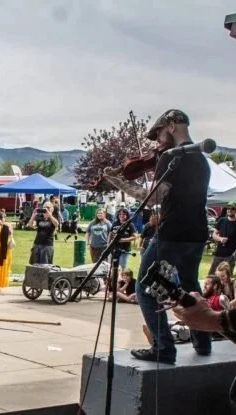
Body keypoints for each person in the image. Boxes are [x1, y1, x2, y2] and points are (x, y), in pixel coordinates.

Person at [103, 109, 211, 363]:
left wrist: (117, 181)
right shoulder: (202, 160)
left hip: (172, 232)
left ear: (172, 126)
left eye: (161, 135)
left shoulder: (172, 158)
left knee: (144, 289)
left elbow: (151, 199)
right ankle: (203, 341)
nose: (159, 143)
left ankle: (163, 347)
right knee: (189, 285)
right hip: (197, 232)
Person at [210, 202, 236, 274]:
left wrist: (233, 256)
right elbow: (214, 235)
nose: (229, 210)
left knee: (226, 279)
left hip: (230, 256)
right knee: (213, 277)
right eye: (228, 208)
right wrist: (220, 239)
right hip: (218, 254)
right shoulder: (222, 220)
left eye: (232, 208)